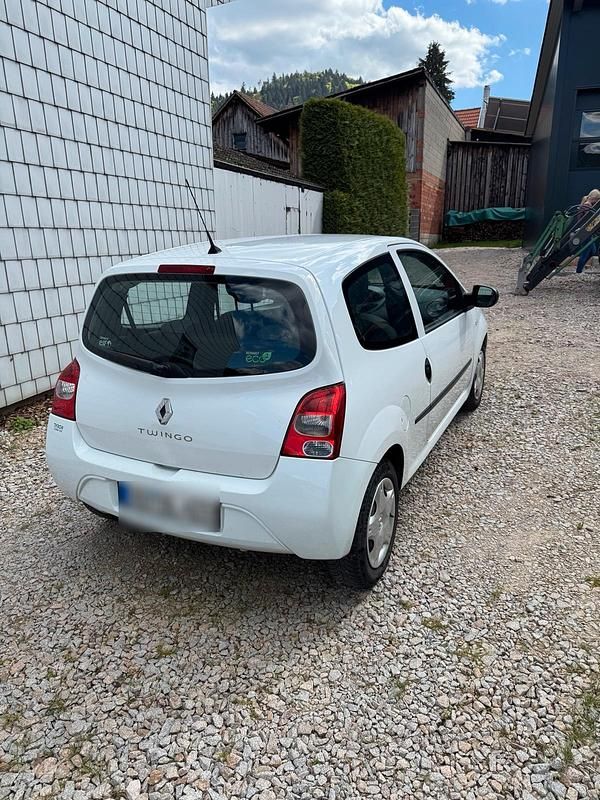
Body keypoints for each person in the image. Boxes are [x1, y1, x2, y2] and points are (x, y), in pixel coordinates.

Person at [576, 189, 600, 273]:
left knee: (592, 250)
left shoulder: (587, 205)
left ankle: (580, 269)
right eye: (598, 199)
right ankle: (579, 271)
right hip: (585, 232)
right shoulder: (587, 205)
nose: (597, 201)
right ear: (594, 198)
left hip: (586, 232)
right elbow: (588, 220)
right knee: (586, 252)